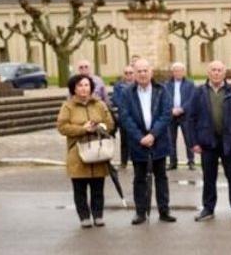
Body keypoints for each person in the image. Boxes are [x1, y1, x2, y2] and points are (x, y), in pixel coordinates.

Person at [116, 58, 176, 225]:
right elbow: (125, 117)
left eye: (145, 70)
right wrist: (140, 137)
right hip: (138, 142)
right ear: (134, 74)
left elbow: (166, 114)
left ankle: (164, 211)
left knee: (161, 177)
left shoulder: (162, 90)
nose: (142, 74)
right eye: (139, 71)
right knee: (139, 178)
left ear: (151, 72)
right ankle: (140, 212)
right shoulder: (127, 93)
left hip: (159, 140)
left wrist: (153, 134)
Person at [187, 60, 231, 222]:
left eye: (219, 70)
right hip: (207, 142)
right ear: (208, 72)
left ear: (224, 73)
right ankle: (208, 208)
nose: (216, 73)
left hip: (230, 142)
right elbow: (191, 119)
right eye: (213, 70)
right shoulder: (198, 92)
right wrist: (193, 142)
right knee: (208, 177)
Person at [56, 73, 115, 227]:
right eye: (80, 85)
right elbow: (62, 127)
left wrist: (99, 127)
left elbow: (110, 124)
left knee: (98, 188)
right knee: (80, 189)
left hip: (98, 152)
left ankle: (98, 215)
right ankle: (84, 217)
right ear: (74, 89)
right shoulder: (68, 106)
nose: (84, 88)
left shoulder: (100, 104)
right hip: (77, 152)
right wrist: (82, 129)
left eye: (86, 85)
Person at [164, 62, 196, 170]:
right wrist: (171, 109)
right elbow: (165, 99)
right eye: (175, 71)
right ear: (172, 72)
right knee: (171, 140)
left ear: (183, 72)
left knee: (188, 139)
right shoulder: (167, 84)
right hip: (171, 115)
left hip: (185, 115)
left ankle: (191, 161)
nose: (178, 73)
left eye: (180, 71)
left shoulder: (190, 84)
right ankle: (173, 162)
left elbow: (192, 99)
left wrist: (182, 109)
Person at [110, 65, 136, 169]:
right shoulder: (118, 86)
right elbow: (116, 99)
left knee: (136, 140)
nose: (128, 75)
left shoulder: (138, 84)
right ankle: (123, 162)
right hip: (124, 116)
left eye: (131, 73)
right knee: (124, 140)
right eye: (126, 73)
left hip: (136, 117)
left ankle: (137, 161)